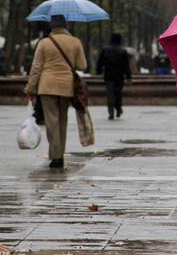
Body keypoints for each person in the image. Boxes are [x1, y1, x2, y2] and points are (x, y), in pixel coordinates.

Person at [25, 14, 86, 169]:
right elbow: (82, 65)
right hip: (66, 86)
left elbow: (36, 67)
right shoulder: (75, 42)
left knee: (51, 122)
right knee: (62, 121)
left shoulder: (44, 43)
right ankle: (60, 155)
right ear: (66, 25)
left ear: (52, 26)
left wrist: (31, 87)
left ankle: (56, 156)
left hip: (47, 86)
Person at [96, 33, 131, 120]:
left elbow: (100, 62)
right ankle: (118, 109)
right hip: (119, 77)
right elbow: (126, 66)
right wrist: (128, 77)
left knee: (110, 94)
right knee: (118, 93)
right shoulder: (123, 51)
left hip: (109, 76)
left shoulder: (105, 50)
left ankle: (111, 112)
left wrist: (98, 71)